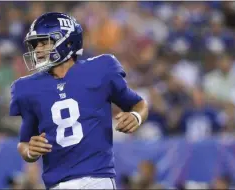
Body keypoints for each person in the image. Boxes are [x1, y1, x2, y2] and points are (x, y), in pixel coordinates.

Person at [10, 12, 148, 189]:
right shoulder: (27, 88)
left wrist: (136, 116)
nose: (37, 50)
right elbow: (24, 142)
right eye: (36, 44)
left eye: (44, 42)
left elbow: (139, 104)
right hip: (58, 183)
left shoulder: (101, 69)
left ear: (68, 41)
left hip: (98, 178)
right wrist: (29, 151)